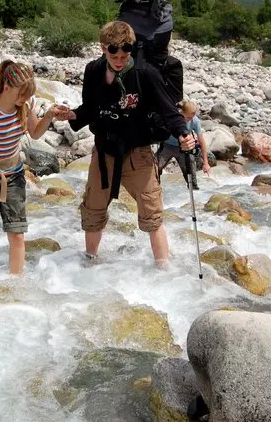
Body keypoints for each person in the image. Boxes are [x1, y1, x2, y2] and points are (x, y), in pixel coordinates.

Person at [64, 21, 195, 268]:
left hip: (138, 154)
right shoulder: (93, 71)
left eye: (126, 55)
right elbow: (89, 109)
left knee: (152, 214)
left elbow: (168, 109)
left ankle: (164, 269)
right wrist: (70, 115)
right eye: (115, 55)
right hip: (104, 153)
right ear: (103, 48)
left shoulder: (145, 74)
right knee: (93, 211)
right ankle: (89, 265)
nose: (120, 60)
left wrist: (182, 133)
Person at [0, 60, 70, 275]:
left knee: (17, 233)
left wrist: (49, 115)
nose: (25, 99)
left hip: (13, 175)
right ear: (6, 87)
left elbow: (35, 133)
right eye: (21, 95)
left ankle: (16, 284)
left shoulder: (27, 105)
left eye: (28, 95)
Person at [155, 100, 211, 190]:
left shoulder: (195, 121)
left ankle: (194, 193)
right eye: (187, 117)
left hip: (184, 148)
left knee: (190, 173)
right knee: (156, 167)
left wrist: (206, 163)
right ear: (181, 112)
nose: (189, 120)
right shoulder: (172, 116)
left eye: (191, 118)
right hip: (167, 146)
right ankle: (155, 190)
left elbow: (202, 142)